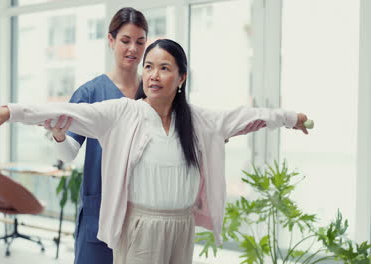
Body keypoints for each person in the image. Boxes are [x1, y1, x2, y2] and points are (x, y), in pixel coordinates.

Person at [0, 39, 309, 263]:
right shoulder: (123, 113)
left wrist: (292, 118)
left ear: (181, 77)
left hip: (181, 226)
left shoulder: (199, 120)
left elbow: (251, 116)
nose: (153, 75)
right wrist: (10, 111)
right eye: (149, 67)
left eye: (164, 68)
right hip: (140, 227)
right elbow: (69, 111)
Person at [40, 7, 265, 264]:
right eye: (125, 41)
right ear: (111, 41)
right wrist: (58, 135)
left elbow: (183, 133)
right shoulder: (91, 92)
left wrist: (210, 140)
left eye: (140, 41)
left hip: (147, 217)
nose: (133, 49)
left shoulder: (158, 86)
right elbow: (69, 153)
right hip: (102, 208)